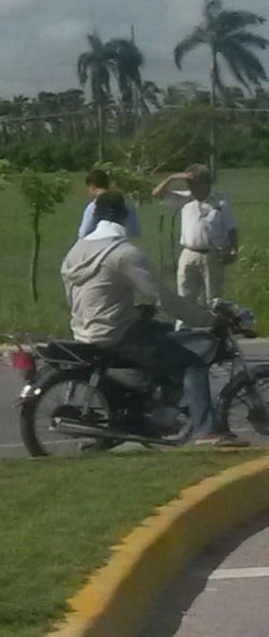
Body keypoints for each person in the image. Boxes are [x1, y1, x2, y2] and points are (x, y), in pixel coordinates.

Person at [61, 191, 239, 445]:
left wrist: (131, 309)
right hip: (118, 333)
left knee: (165, 335)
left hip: (83, 330)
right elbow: (164, 299)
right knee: (192, 362)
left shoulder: (75, 251)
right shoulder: (124, 253)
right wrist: (208, 320)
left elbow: (86, 295)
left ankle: (156, 410)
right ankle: (206, 431)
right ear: (124, 216)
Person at [152, 164, 239, 310]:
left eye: (194, 183)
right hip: (189, 253)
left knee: (212, 298)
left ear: (206, 183)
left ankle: (213, 329)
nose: (191, 187)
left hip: (212, 253)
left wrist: (233, 250)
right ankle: (184, 329)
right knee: (185, 296)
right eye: (189, 183)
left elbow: (231, 228)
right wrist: (172, 178)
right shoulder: (185, 198)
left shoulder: (220, 202)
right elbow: (156, 194)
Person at [76, 168, 140, 239]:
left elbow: (83, 233)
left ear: (92, 187)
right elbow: (134, 232)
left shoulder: (93, 206)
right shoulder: (127, 205)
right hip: (122, 244)